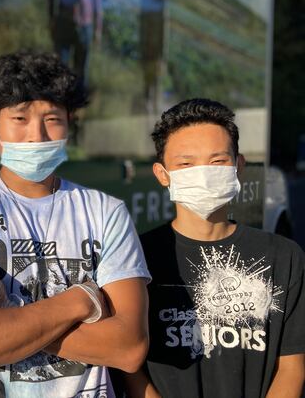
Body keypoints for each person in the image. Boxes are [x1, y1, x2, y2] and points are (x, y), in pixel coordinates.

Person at [0, 52, 151, 397]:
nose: (37, 135)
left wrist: (7, 313)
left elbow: (128, 348)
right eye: (19, 117)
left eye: (52, 118)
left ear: (70, 122)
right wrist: (81, 301)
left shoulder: (106, 212)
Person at [123, 99, 305, 397]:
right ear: (162, 174)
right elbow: (129, 367)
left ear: (239, 166)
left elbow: (292, 366)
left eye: (218, 161)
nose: (203, 173)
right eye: (186, 164)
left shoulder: (283, 256)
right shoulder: (136, 257)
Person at [48, 0, 102, 88]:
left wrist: (98, 25)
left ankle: (72, 106)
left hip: (78, 18)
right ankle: (68, 105)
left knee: (74, 73)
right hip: (73, 17)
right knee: (64, 72)